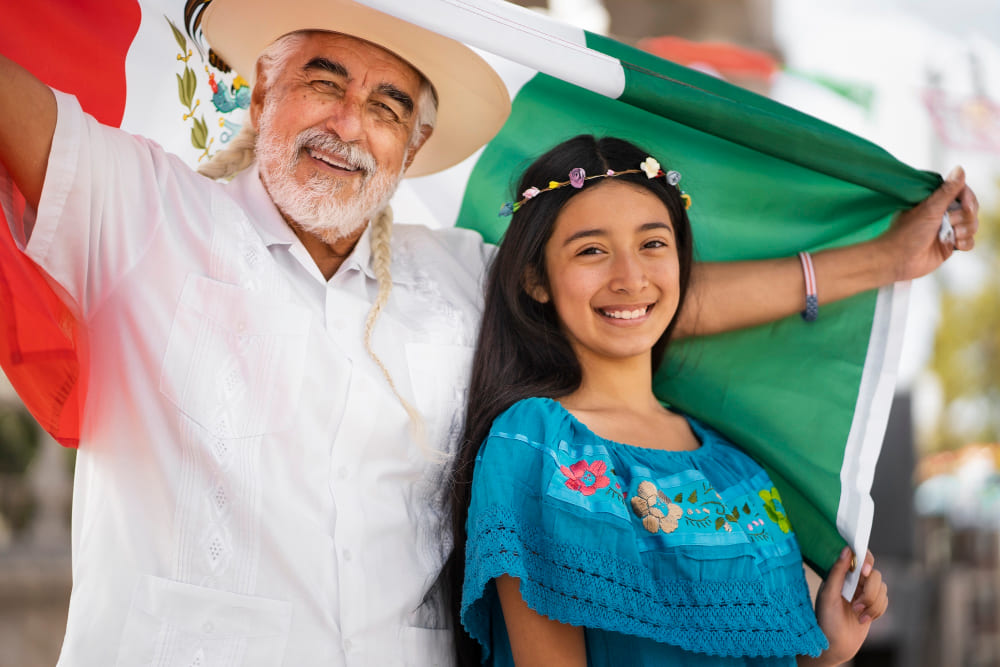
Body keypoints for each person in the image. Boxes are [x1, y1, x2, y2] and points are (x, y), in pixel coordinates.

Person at [0, 0, 978, 664]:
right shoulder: (139, 212)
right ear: (259, 96)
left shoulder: (456, 278)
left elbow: (642, 299)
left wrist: (879, 263)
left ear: (413, 146)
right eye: (323, 81)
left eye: (387, 105)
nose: (350, 122)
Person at [452, 134, 889, 666]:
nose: (630, 277)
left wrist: (828, 651)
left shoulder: (737, 468)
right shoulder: (537, 442)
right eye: (592, 250)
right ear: (536, 279)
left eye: (653, 244)